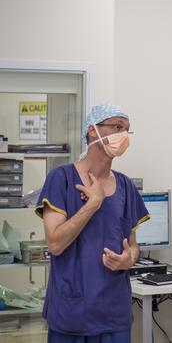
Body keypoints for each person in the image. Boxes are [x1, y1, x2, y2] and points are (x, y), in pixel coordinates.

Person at [36, 103, 150, 343]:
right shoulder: (61, 179)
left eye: (127, 130)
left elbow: (133, 246)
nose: (123, 136)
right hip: (72, 312)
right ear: (92, 130)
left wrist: (129, 259)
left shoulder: (125, 186)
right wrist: (93, 203)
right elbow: (55, 244)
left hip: (114, 312)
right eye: (117, 126)